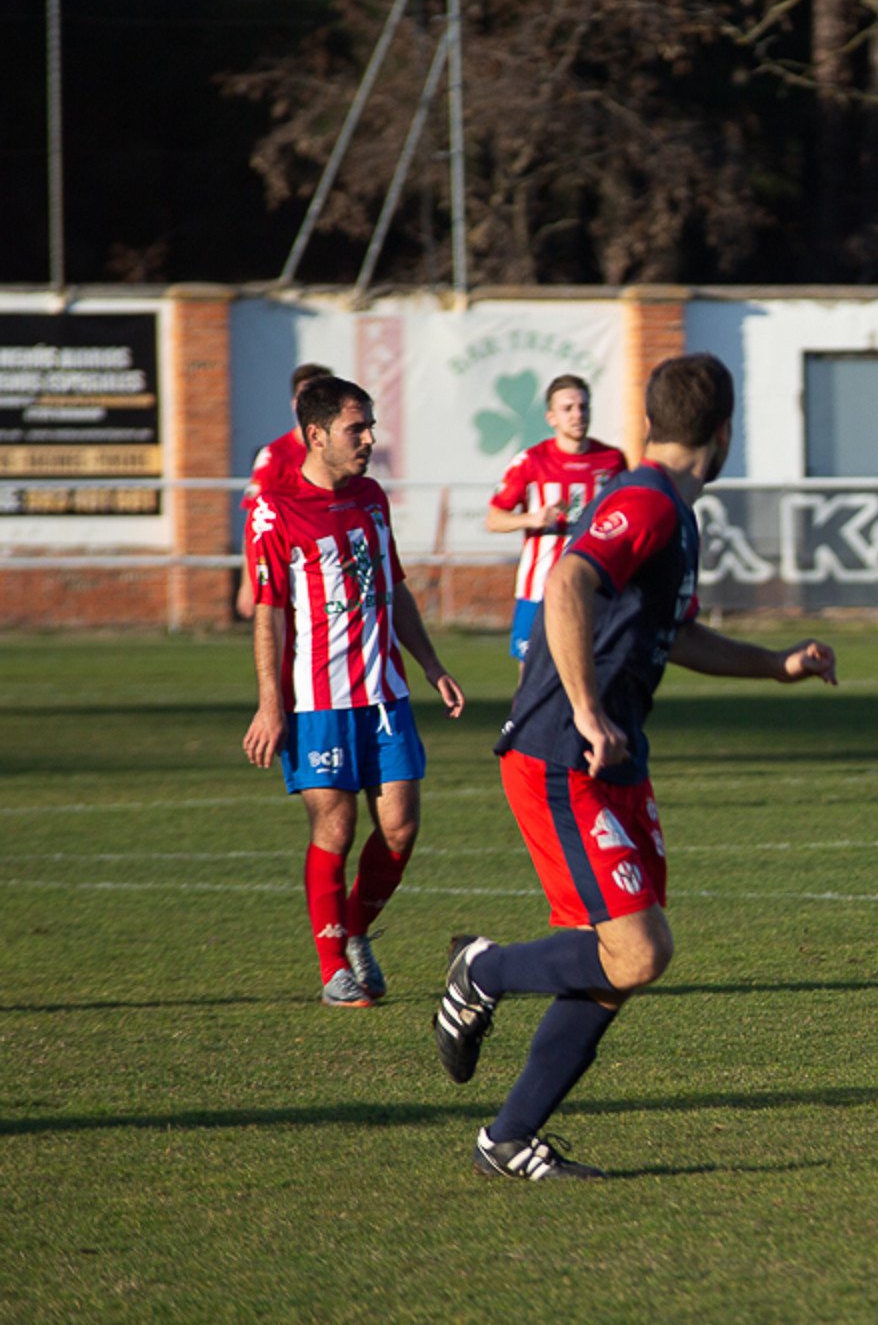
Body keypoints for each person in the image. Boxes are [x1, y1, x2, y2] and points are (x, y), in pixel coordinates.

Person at [434, 353, 837, 1181]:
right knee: (638, 950)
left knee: (618, 960)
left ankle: (508, 1138)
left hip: (613, 756)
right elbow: (569, 586)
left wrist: (775, 666)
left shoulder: (674, 514)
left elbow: (676, 635)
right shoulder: (645, 500)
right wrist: (583, 706)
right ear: (725, 433)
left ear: (651, 423)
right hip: (561, 749)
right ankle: (481, 968)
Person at [242, 376, 466, 1006]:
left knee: (400, 829)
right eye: (356, 428)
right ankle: (333, 965)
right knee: (334, 830)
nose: (369, 439)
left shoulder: (371, 498)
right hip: (316, 703)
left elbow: (392, 590)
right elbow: (270, 613)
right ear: (316, 436)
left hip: (383, 695)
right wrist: (270, 703)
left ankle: (358, 931)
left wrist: (430, 665)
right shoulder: (276, 510)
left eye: (369, 426)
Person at [484, 375, 627, 674]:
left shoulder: (611, 461)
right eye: (568, 408)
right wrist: (532, 518)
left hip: (593, 588)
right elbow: (493, 519)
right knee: (531, 678)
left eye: (583, 407)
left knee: (594, 677)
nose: (578, 414)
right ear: (551, 417)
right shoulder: (530, 461)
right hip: (538, 589)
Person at [236, 363, 334, 619]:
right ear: (294, 403)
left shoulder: (338, 454)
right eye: (308, 396)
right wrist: (249, 583)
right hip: (291, 571)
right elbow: (256, 521)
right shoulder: (276, 455)